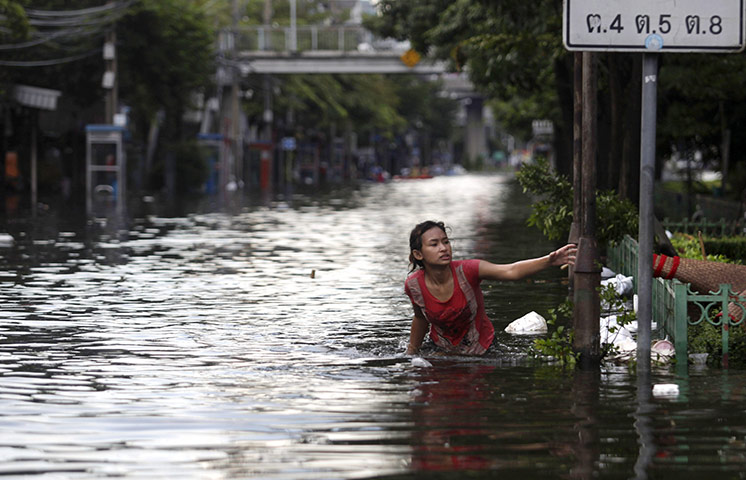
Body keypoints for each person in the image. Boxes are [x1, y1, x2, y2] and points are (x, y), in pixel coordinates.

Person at [404, 220, 577, 356]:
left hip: (482, 351)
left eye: (446, 242)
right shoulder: (414, 285)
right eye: (434, 244)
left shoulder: (468, 270)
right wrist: (410, 354)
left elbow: (511, 270)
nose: (443, 248)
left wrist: (549, 261)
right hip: (440, 350)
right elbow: (420, 319)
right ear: (419, 254)